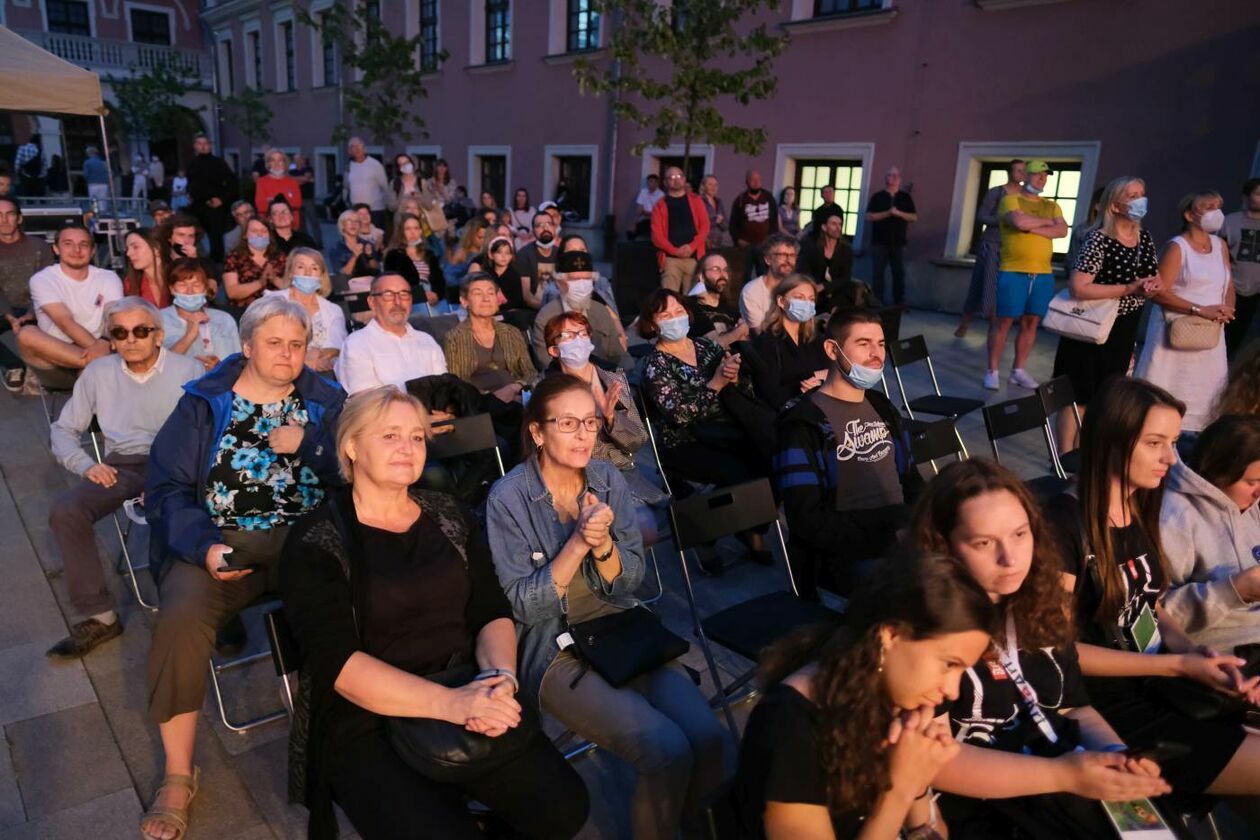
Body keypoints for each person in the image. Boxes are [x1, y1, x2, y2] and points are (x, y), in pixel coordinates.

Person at [279, 386, 588, 840]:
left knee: (564, 807)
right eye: (389, 436)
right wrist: (453, 705)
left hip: (465, 681)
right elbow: (339, 665)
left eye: (417, 437)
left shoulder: (450, 514)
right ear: (351, 446)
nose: (407, 448)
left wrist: (499, 680)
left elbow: (490, 610)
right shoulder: (316, 542)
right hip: (369, 718)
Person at [487, 374, 728, 840]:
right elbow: (525, 606)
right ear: (537, 431)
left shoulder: (606, 477)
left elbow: (631, 581)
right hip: (555, 646)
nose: (583, 435)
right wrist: (578, 543)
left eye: (591, 423)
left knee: (709, 736)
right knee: (665, 749)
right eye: (568, 423)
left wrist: (603, 549)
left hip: (622, 629)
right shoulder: (508, 498)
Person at [140, 296, 346, 840]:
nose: (286, 354)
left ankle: (360, 734)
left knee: (363, 597)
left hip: (311, 540)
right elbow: (165, 491)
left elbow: (354, 468)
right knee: (181, 618)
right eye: (274, 343)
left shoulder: (326, 399)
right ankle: (179, 774)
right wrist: (204, 547)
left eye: (297, 345)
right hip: (224, 541)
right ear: (248, 345)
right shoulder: (204, 403)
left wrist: (313, 447)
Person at [909, 459, 1174, 838]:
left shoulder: (1037, 600)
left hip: (1065, 774)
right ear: (943, 546)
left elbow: (1073, 705)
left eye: (1020, 535)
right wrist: (1065, 776)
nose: (1011, 558)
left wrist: (1117, 757)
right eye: (984, 543)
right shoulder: (925, 628)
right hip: (983, 806)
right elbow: (932, 762)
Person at [1047, 378, 1260, 804]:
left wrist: (1196, 654)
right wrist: (1178, 665)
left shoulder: (1137, 507)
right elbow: (1055, 652)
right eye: (1154, 443)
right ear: (1112, 440)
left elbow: (1150, 603)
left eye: (1174, 442)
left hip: (1161, 682)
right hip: (1113, 708)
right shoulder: (1061, 527)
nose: (1170, 458)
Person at [732, 552, 995, 840]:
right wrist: (899, 789)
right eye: (949, 664)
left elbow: (934, 834)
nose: (952, 690)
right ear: (890, 636)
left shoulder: (886, 693)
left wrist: (917, 783)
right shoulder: (789, 728)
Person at [46, 298, 202, 658]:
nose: (131, 339)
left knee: (181, 509)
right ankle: (100, 617)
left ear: (158, 335)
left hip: (179, 463)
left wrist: (172, 479)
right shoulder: (99, 373)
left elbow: (210, 432)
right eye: (120, 332)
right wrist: (85, 464)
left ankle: (212, 607)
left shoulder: (189, 370)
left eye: (141, 330)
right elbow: (63, 429)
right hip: (124, 466)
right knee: (66, 510)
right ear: (111, 339)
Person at [775, 307, 920, 598]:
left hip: (900, 534)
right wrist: (888, 538)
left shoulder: (882, 406)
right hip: (843, 553)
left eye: (880, 344)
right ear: (832, 349)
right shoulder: (802, 423)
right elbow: (806, 519)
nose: (876, 354)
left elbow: (911, 479)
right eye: (864, 344)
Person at [1050, 176, 1161, 452]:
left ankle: (1085, 454)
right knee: (1079, 396)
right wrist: (1127, 288)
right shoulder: (1098, 239)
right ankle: (1065, 459)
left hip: (1123, 327)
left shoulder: (1143, 237)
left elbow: (1151, 275)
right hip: (1090, 326)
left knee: (1105, 396)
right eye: (1132, 195)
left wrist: (1151, 285)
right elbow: (1078, 286)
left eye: (1142, 193)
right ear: (1113, 206)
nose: (1140, 199)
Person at [640, 288, 771, 492]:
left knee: (771, 454)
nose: (674, 318)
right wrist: (716, 383)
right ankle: (732, 521)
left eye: (678, 311)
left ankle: (758, 520)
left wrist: (733, 376)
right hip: (685, 442)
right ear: (652, 324)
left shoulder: (706, 346)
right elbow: (680, 416)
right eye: (665, 315)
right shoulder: (656, 365)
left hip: (726, 431)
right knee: (739, 474)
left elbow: (747, 391)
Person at [540, 311, 666, 510]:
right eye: (568, 336)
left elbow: (637, 440)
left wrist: (611, 418)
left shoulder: (612, 377)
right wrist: (593, 421)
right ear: (554, 350)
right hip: (580, 476)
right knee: (639, 524)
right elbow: (553, 449)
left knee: (667, 513)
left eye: (583, 334)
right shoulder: (548, 391)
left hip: (622, 470)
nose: (578, 340)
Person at [1134, 190, 1235, 435]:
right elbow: (1158, 293)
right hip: (1176, 332)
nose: (1216, 212)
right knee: (1165, 393)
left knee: (1206, 395)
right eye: (1208, 206)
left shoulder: (1220, 245)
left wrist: (1227, 308)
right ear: (1190, 214)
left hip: (1210, 335)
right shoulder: (1177, 247)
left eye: (1218, 206)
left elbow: (1227, 283)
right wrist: (1200, 310)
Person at [1161, 415, 1260, 653]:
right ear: (1219, 472)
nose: (1258, 493)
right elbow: (1157, 614)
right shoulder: (1176, 516)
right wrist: (1234, 590)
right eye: (1251, 482)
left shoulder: (1249, 505)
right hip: (1224, 650)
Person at [985, 160, 1068, 391]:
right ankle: (992, 370)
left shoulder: (1052, 206)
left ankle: (1018, 370)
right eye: (1038, 174)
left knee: (1031, 322)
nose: (1042, 179)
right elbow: (1018, 221)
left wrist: (1031, 226)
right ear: (1025, 176)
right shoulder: (1010, 200)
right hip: (1013, 270)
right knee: (1003, 322)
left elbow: (1062, 230)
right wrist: (1045, 225)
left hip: (1042, 273)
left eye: (1046, 176)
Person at [16, 224, 121, 387]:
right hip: (57, 360)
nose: (76, 250)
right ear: (56, 249)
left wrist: (105, 341)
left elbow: (113, 315)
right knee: (26, 334)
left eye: (83, 244)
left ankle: (97, 367)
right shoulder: (43, 279)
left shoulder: (108, 277)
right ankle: (102, 364)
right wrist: (100, 350)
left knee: (92, 374)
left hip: (101, 349)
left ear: (92, 251)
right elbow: (64, 322)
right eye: (68, 244)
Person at [336, 273, 447, 393]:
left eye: (404, 294)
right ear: (372, 302)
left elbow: (444, 387)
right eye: (388, 295)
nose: (398, 302)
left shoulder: (427, 341)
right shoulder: (357, 344)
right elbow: (366, 399)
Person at [443, 272, 536, 408]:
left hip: (518, 398)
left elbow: (529, 371)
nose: (486, 299)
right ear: (464, 301)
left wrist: (516, 387)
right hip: (481, 404)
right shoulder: (454, 337)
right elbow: (459, 382)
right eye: (478, 293)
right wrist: (494, 397)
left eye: (491, 293)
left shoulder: (511, 332)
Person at [957, 160, 1024, 338]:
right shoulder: (997, 192)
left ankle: (995, 329)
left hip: (1012, 248)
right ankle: (966, 323)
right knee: (982, 285)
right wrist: (1003, 220)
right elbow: (981, 216)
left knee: (1003, 288)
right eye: (1018, 170)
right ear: (1010, 172)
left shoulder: (1025, 195)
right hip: (991, 245)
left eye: (1024, 171)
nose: (1022, 174)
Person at [530, 248, 624, 368]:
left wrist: (628, 381)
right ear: (559, 283)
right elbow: (545, 362)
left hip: (605, 378)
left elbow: (619, 355)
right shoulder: (546, 317)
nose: (582, 285)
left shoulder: (601, 311)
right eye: (574, 279)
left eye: (586, 279)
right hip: (565, 381)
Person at [750, 274, 829, 408]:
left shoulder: (815, 338)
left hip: (821, 406)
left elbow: (831, 373)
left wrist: (818, 380)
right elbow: (767, 394)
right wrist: (801, 386)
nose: (806, 304)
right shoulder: (766, 342)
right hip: (789, 415)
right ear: (781, 301)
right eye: (799, 298)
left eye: (811, 300)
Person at [0, 196, 52, 389]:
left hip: (37, 305)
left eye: (9, 214)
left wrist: (30, 313)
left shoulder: (40, 247)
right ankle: (13, 366)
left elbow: (47, 285)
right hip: (4, 308)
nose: (4, 220)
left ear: (19, 219)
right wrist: (10, 317)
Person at [269, 248, 345, 374]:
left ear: (321, 276)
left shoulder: (333, 310)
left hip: (322, 371)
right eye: (301, 267)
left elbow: (338, 345)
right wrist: (303, 357)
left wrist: (317, 353)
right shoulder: (272, 302)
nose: (308, 273)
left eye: (314, 268)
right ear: (290, 273)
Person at [159, 258, 241, 371]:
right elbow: (159, 368)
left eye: (196, 285)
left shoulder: (224, 319)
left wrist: (220, 368)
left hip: (221, 386)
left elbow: (239, 363)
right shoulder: (159, 320)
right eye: (182, 285)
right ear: (172, 289)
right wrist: (189, 335)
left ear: (205, 288)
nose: (190, 291)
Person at [651, 166, 710, 295]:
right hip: (671, 260)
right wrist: (676, 251)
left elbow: (705, 226)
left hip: (694, 257)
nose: (676, 180)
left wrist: (691, 246)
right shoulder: (659, 205)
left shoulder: (696, 201)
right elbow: (657, 236)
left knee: (696, 299)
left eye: (679, 176)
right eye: (671, 178)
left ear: (684, 179)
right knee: (670, 298)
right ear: (665, 182)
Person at [864, 166, 918, 307]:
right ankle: (878, 302)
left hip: (898, 243)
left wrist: (899, 214)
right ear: (886, 178)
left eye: (896, 176)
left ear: (899, 179)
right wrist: (888, 213)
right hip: (879, 242)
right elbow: (869, 216)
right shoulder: (878, 197)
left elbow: (914, 217)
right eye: (891, 175)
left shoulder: (905, 197)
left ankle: (899, 302)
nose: (894, 178)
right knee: (878, 274)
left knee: (899, 273)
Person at [1223, 177, 1260, 356]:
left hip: (1257, 290)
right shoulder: (1230, 222)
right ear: (1246, 197)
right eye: (1258, 194)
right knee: (1227, 335)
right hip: (1232, 286)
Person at [185, 134, 236, 262]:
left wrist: (222, 199)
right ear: (195, 146)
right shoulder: (192, 163)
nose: (202, 146)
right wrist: (189, 194)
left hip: (214, 206)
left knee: (216, 238)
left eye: (205, 143)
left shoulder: (219, 163)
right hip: (196, 206)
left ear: (210, 145)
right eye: (199, 143)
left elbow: (232, 184)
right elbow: (191, 182)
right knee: (193, 234)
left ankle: (217, 264)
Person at [383, 213, 445, 309]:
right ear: (401, 232)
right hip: (408, 298)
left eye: (416, 228)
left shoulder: (429, 255)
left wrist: (436, 295)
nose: (413, 232)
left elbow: (439, 280)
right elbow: (394, 283)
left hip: (431, 296)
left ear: (421, 231)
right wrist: (419, 294)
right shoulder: (394, 255)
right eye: (408, 229)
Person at [739, 232, 799, 334]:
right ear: (768, 259)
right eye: (783, 255)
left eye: (792, 255)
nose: (789, 260)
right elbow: (761, 333)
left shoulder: (798, 288)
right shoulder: (751, 292)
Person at [687, 252, 748, 350]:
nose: (723, 274)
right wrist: (740, 330)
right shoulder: (691, 307)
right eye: (716, 269)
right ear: (701, 276)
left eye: (725, 270)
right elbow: (713, 346)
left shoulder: (731, 310)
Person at [223, 218, 286, 307]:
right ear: (245, 235)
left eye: (264, 231)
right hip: (245, 311)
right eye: (254, 231)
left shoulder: (280, 256)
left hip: (276, 309)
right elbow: (232, 292)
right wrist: (260, 283)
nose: (259, 234)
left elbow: (291, 289)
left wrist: (274, 279)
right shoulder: (234, 257)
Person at [472, 235, 532, 328]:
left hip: (509, 312)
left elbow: (517, 300)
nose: (504, 256)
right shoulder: (486, 275)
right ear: (491, 255)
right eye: (499, 252)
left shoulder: (514, 274)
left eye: (507, 253)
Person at [730, 169, 779, 277]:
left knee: (764, 275)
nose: (756, 182)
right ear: (747, 182)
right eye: (753, 180)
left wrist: (772, 240)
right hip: (746, 245)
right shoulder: (740, 200)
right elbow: (733, 223)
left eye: (758, 179)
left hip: (765, 245)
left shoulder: (768, 198)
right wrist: (738, 240)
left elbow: (775, 220)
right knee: (745, 275)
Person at [795, 205, 853, 295]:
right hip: (813, 290)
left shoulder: (846, 250)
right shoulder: (812, 247)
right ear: (824, 227)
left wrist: (825, 286)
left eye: (840, 224)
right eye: (834, 224)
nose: (838, 228)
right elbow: (803, 271)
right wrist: (814, 286)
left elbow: (845, 278)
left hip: (837, 292)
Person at [344, 137, 390, 234]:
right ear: (349, 151)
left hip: (375, 210)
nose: (356, 149)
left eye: (359, 146)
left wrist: (386, 205)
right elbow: (347, 187)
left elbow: (384, 186)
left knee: (377, 239)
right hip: (357, 211)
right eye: (353, 146)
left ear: (365, 148)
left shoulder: (375, 165)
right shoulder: (349, 166)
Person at [514, 211, 559, 309]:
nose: (545, 228)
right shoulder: (524, 254)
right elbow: (527, 296)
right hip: (534, 310)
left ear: (554, 228)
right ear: (533, 231)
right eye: (539, 225)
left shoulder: (562, 254)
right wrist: (548, 311)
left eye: (549, 224)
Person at [122, 228, 170, 308]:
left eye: (135, 247)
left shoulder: (179, 275)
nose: (128, 253)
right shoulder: (130, 283)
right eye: (127, 249)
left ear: (156, 249)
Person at [328, 209, 380, 278]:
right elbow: (343, 274)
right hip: (347, 285)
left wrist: (369, 256)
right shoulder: (336, 248)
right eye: (349, 221)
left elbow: (375, 268)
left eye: (356, 221)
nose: (353, 224)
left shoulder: (367, 244)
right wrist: (354, 256)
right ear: (342, 225)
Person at [441, 218, 486, 292]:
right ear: (471, 235)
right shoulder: (461, 252)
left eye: (485, 237)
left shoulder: (487, 252)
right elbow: (448, 276)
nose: (483, 240)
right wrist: (465, 284)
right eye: (480, 237)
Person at [252, 149, 301, 215]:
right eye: (273, 160)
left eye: (280, 160)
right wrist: (287, 202)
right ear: (268, 163)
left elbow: (297, 203)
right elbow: (260, 206)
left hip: (291, 222)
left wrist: (271, 202)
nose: (276, 164)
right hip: (268, 222)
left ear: (285, 163)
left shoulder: (293, 182)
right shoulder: (261, 182)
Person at [292, 153, 322, 247]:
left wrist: (300, 180)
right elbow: (290, 179)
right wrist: (301, 180)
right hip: (297, 200)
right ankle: (305, 242)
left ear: (303, 160)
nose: (298, 161)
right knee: (301, 224)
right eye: (296, 160)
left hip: (308, 199)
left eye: (299, 159)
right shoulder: (293, 171)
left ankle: (318, 243)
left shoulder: (308, 168)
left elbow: (306, 178)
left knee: (313, 221)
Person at [389, 152, 423, 222]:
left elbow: (428, 205)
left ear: (411, 163)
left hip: (419, 223)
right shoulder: (394, 183)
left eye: (407, 162)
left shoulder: (421, 182)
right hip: (400, 223)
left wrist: (418, 197)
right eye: (401, 164)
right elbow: (391, 207)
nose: (405, 166)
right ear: (399, 168)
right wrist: (403, 200)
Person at [699, 174, 729, 248]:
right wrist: (715, 221)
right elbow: (698, 224)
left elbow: (726, 226)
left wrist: (721, 221)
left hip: (718, 243)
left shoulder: (719, 202)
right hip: (704, 242)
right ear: (703, 186)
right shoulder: (699, 201)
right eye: (710, 184)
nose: (713, 187)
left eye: (715, 185)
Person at [631, 173, 664, 239]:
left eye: (653, 182)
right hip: (644, 218)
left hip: (655, 220)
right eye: (650, 181)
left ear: (657, 183)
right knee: (631, 233)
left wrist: (646, 213)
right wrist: (634, 223)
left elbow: (659, 212)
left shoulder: (661, 195)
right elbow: (639, 208)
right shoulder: (643, 192)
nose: (651, 184)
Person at [83, 145, 110, 210]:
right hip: (104, 184)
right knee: (102, 201)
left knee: (94, 201)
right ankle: (103, 215)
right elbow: (108, 173)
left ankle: (95, 214)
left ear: (89, 153)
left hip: (93, 184)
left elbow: (86, 174)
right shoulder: (103, 162)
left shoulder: (87, 162)